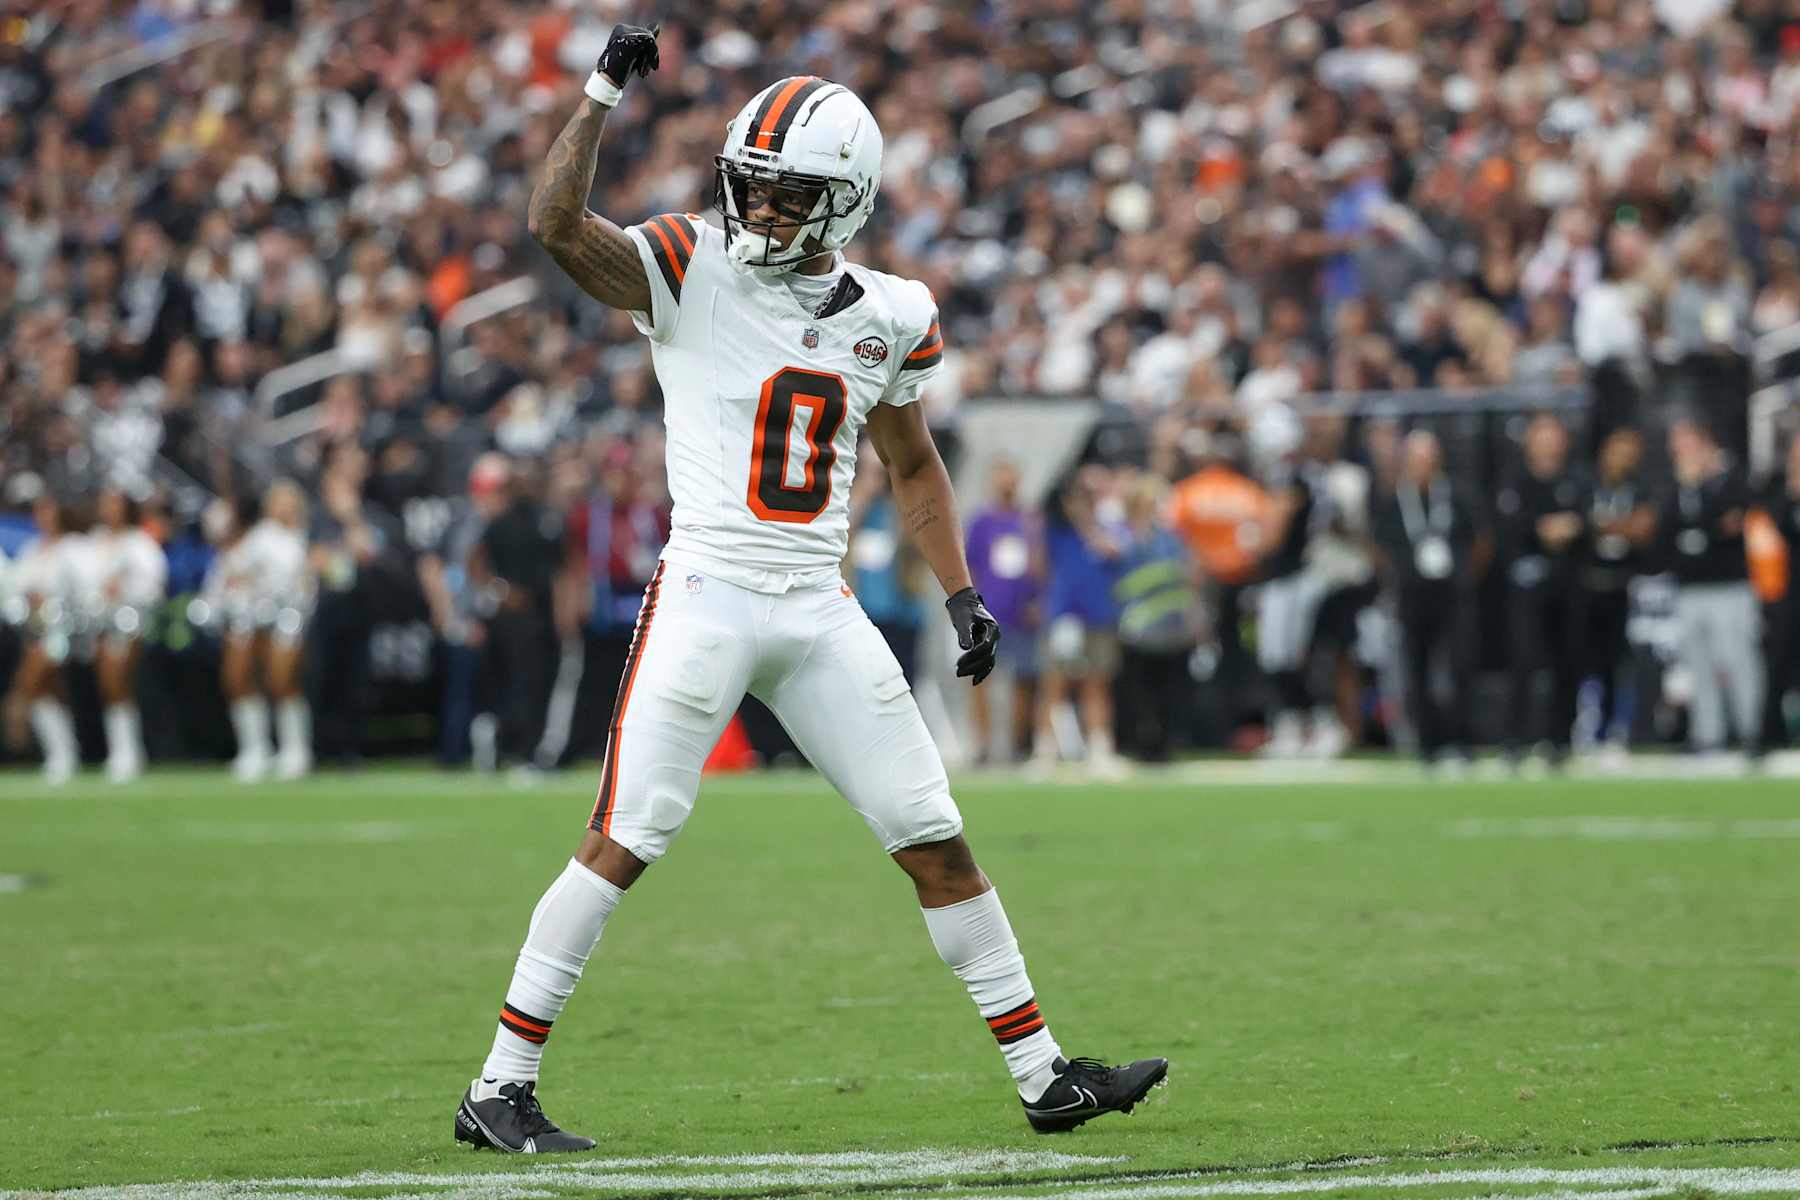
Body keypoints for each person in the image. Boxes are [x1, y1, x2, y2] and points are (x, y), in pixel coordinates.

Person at [456, 30, 1164, 1154]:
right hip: (710, 588)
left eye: (786, 198)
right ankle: (499, 1084)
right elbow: (553, 226)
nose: (759, 214)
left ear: (844, 206)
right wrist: (599, 95)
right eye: (751, 190)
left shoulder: (890, 310)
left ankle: (1043, 1077)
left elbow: (914, 462)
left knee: (934, 835)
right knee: (627, 835)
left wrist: (960, 591)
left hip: (818, 606)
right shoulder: (691, 264)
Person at [1372, 431, 1481, 769]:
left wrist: (1465, 574)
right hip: (1412, 593)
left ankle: (1462, 739)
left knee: (1459, 665)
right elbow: (1380, 546)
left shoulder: (1456, 495)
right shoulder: (1394, 501)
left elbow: (1480, 538)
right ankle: (1429, 744)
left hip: (1452, 593)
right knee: (1417, 669)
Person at [1659, 416, 1763, 756]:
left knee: (1738, 661)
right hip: (1689, 588)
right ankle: (1709, 735)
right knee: (1698, 666)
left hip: (1729, 587)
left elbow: (1730, 524)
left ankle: (1752, 732)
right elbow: (1667, 531)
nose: (1678, 450)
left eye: (1685, 442)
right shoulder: (1676, 485)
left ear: (1704, 443)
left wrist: (1699, 493)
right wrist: (1691, 493)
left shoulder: (1731, 478)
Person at [1496, 412, 1589, 767]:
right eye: (1542, 435)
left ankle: (1559, 741)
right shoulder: (1515, 481)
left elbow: (1585, 520)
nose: (1548, 443)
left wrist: (1566, 529)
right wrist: (1542, 530)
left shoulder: (1577, 478)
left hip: (1568, 585)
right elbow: (1509, 527)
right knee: (1524, 661)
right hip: (1526, 588)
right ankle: (1514, 740)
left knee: (1567, 662)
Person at [1032, 465, 1129, 776]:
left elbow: (1114, 551)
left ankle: (1100, 749)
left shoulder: (1109, 521)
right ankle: (1044, 751)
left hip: (1099, 613)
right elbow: (1040, 566)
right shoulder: (1055, 527)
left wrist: (1086, 520)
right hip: (1064, 615)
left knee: (1096, 683)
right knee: (1054, 683)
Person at [1574, 428, 1656, 757]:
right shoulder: (1585, 485)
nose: (1625, 459)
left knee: (1620, 662)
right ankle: (1581, 727)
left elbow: (1644, 529)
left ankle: (1616, 730)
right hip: (1587, 584)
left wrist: (1603, 525)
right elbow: (1578, 525)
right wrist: (1619, 526)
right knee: (1582, 658)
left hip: (1625, 586)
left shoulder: (1640, 489)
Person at [1113, 475, 1204, 762]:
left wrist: (1194, 617)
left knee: (1168, 691)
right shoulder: (1124, 536)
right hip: (1136, 626)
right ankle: (1139, 742)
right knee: (1139, 690)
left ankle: (1165, 742)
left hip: (1170, 625)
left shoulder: (1173, 539)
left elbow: (1187, 579)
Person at [964, 458, 1040, 764]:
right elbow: (972, 565)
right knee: (981, 679)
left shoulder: (1030, 520)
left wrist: (1036, 599)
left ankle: (1019, 744)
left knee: (1024, 678)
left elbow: (1039, 564)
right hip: (989, 612)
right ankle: (982, 745)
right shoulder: (981, 522)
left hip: (1021, 612)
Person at [90, 487, 167, 782]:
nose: (108, 509)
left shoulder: (138, 542)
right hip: (99, 621)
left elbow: (154, 583)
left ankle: (130, 752)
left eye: (114, 504)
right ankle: (120, 750)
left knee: (118, 681)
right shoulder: (95, 541)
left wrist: (125, 593)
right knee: (108, 686)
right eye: (105, 503)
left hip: (128, 620)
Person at [7, 495, 86, 784]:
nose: (43, 518)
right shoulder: (32, 549)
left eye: (48, 511)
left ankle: (58, 750)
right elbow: (19, 587)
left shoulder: (73, 547)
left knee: (33, 681)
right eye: (39, 512)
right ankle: (62, 754)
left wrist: (52, 600)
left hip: (65, 628)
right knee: (46, 692)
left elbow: (83, 587)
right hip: (36, 629)